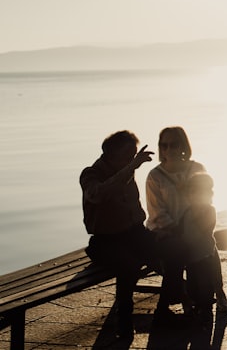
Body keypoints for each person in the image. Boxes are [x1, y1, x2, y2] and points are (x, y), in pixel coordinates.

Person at [80, 130, 157, 339]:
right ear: (112, 155)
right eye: (128, 155)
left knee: (167, 248)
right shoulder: (90, 174)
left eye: (133, 155)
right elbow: (98, 194)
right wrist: (131, 167)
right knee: (128, 264)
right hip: (105, 241)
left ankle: (180, 299)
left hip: (132, 233)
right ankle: (124, 318)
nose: (132, 160)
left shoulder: (125, 170)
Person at [145, 126, 210, 323]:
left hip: (194, 228)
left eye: (174, 144)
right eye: (164, 145)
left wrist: (197, 228)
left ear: (183, 146)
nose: (169, 149)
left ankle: (198, 300)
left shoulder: (196, 169)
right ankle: (174, 301)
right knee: (178, 250)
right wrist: (178, 230)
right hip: (165, 232)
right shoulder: (155, 176)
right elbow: (157, 212)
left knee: (201, 249)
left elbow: (205, 199)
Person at [181, 172, 227, 324]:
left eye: (199, 192)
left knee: (205, 285)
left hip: (205, 255)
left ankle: (206, 312)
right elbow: (183, 232)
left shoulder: (209, 210)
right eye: (191, 192)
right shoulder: (186, 212)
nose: (194, 196)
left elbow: (204, 230)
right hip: (191, 257)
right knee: (193, 285)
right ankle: (196, 306)